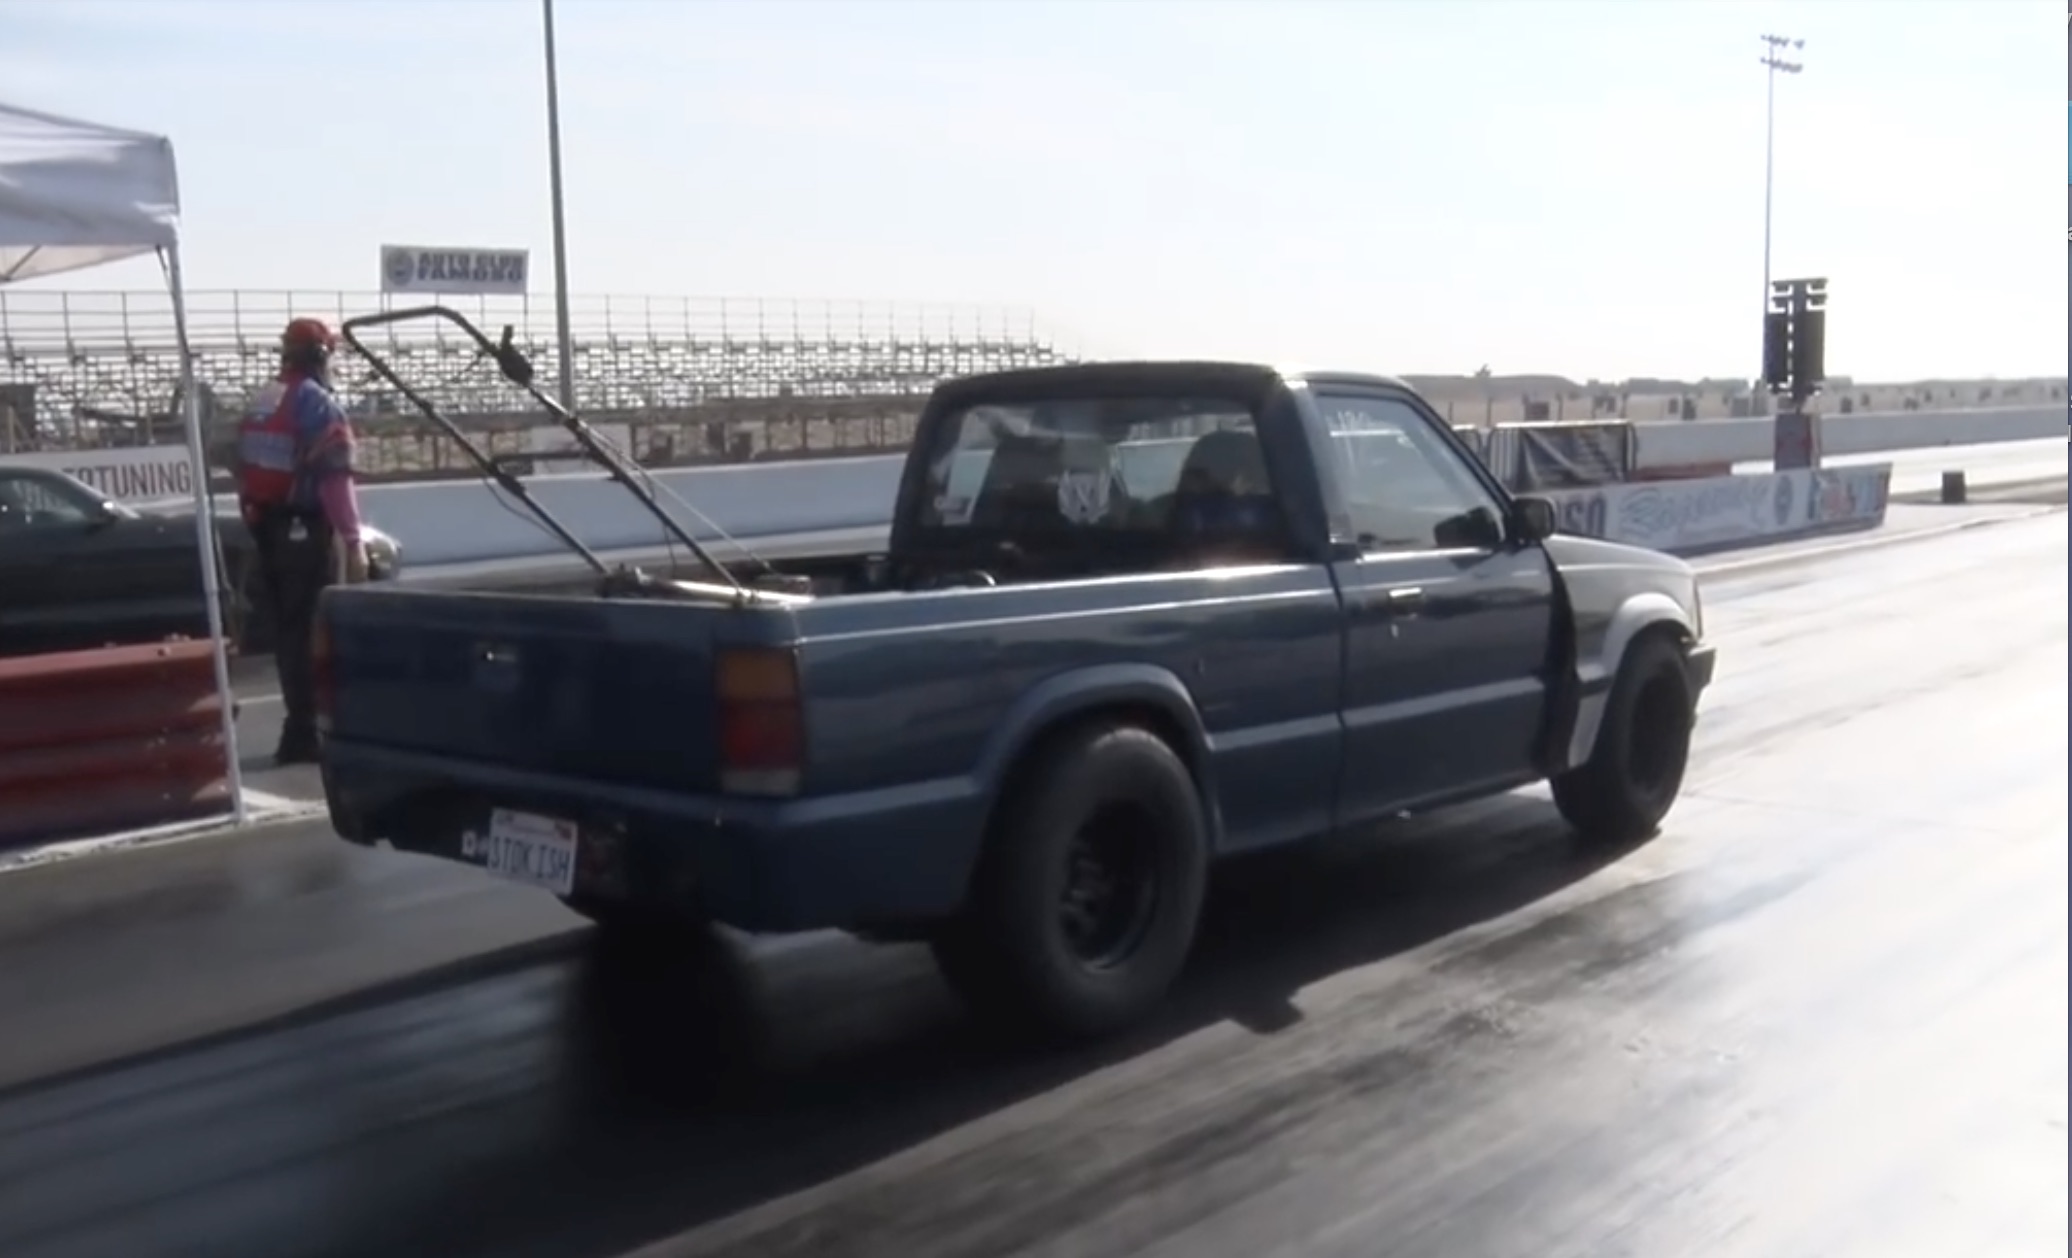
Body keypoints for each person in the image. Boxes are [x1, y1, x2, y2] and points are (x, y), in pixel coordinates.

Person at [236, 317, 368, 765]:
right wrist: (354, 540)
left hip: (268, 528)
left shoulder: (263, 400)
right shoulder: (318, 405)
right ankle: (311, 731)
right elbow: (335, 480)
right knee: (315, 630)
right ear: (321, 356)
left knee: (288, 634)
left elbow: (245, 468)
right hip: (306, 531)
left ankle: (297, 728)